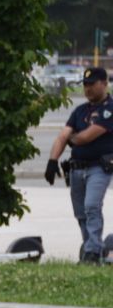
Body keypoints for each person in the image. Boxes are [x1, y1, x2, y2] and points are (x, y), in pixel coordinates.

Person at [46, 66, 113, 265]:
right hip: (77, 168)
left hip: (98, 168)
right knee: (81, 212)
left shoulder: (109, 109)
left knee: (92, 206)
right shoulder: (80, 111)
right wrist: (52, 161)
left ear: (104, 83)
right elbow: (62, 136)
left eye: (92, 84)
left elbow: (85, 137)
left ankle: (93, 250)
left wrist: (70, 138)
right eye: (85, 85)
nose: (88, 89)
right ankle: (89, 249)